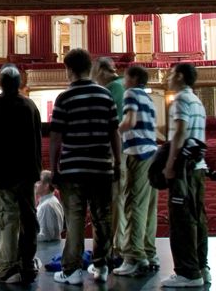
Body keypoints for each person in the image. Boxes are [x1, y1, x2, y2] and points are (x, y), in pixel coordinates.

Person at [50, 49, 120, 285]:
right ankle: (101, 266)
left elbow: (57, 138)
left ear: (68, 70)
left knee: (75, 219)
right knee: (102, 218)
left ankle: (72, 270)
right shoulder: (105, 96)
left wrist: (54, 168)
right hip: (101, 167)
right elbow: (114, 133)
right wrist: (118, 162)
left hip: (73, 169)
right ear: (89, 68)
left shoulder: (64, 98)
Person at [0, 64, 42, 284]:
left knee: (7, 220)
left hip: (3, 173)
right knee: (28, 219)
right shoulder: (29, 105)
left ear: (0, 83)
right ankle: (27, 264)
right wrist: (36, 171)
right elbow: (36, 141)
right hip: (25, 173)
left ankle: (6, 268)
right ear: (20, 84)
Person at [161, 63, 209, 288]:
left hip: (183, 169)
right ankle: (201, 266)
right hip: (198, 167)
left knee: (182, 221)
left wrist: (170, 164)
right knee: (198, 218)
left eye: (171, 74)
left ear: (180, 76)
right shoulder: (197, 101)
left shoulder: (180, 99)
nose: (168, 77)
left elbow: (180, 132)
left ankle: (187, 273)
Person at [113, 65, 158, 277]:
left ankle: (133, 257)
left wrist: (113, 131)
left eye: (125, 76)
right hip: (150, 152)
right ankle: (148, 251)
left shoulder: (131, 93)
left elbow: (129, 121)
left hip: (137, 153)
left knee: (133, 204)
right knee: (148, 206)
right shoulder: (149, 98)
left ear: (132, 79)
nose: (123, 79)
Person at [94, 56, 126, 260]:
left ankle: (117, 249)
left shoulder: (114, 89)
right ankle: (118, 247)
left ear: (104, 71)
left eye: (96, 73)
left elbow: (114, 126)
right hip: (124, 150)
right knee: (119, 201)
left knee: (116, 201)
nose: (94, 78)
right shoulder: (122, 85)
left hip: (119, 151)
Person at [35, 171, 64, 242]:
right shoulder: (50, 201)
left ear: (46, 186)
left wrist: (24, 237)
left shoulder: (47, 206)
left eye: (39, 182)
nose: (35, 184)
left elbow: (46, 236)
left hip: (48, 250)